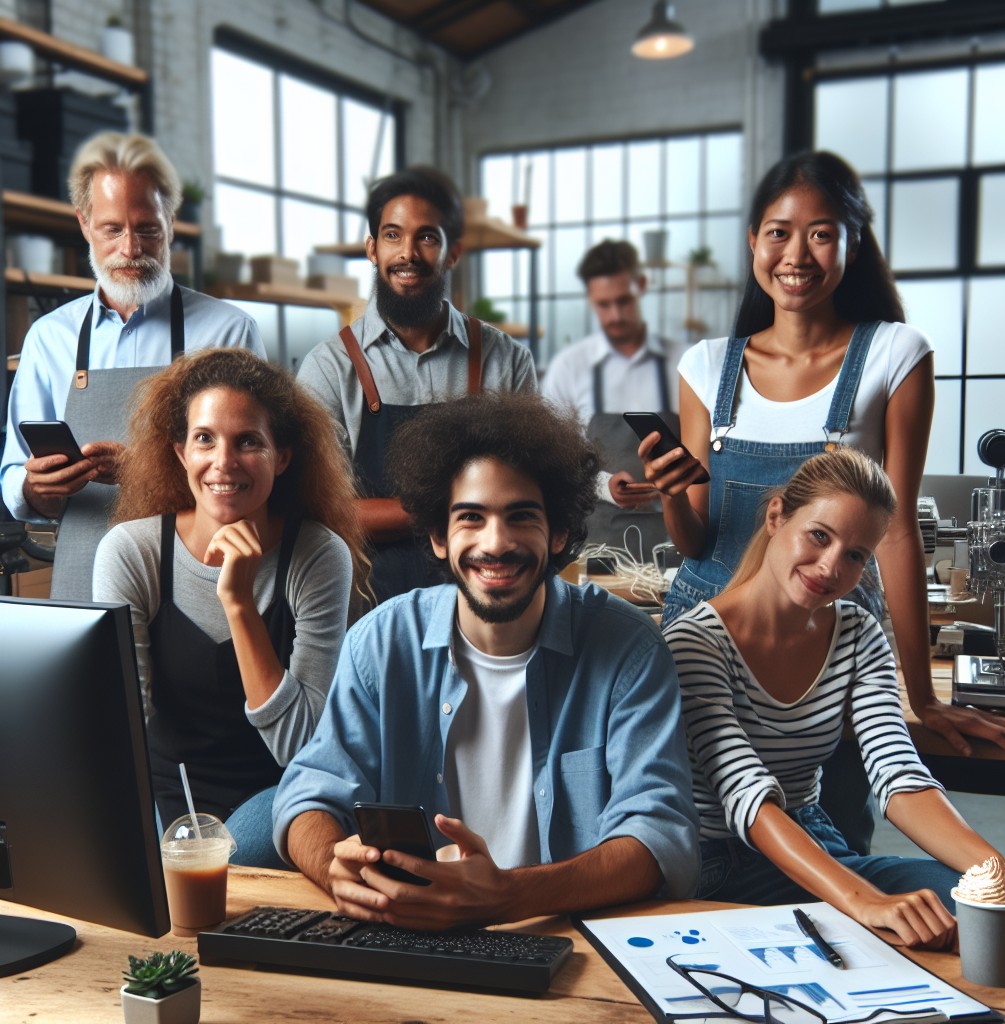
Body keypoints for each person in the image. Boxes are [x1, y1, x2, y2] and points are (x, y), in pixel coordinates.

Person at [641, 150, 1005, 849]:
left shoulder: (894, 354)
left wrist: (923, 696)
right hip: (708, 633)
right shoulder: (705, 365)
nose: (796, 253)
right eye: (778, 232)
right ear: (754, 240)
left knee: (836, 828)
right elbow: (698, 539)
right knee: (699, 829)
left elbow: (899, 532)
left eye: (821, 233)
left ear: (853, 241)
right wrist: (670, 496)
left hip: (829, 633)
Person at [273, 391, 699, 928]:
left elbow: (660, 836)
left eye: (521, 516)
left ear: (560, 531)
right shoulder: (380, 643)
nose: (495, 543)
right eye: (471, 517)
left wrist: (510, 896)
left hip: (565, 934)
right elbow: (309, 794)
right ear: (437, 537)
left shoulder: (630, 650)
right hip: (408, 931)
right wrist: (333, 866)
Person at [665, 448, 1005, 948]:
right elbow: (748, 798)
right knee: (890, 931)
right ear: (776, 516)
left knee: (971, 906)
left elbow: (898, 776)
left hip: (815, 841)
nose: (831, 567)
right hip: (717, 862)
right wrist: (864, 902)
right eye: (819, 536)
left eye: (855, 555)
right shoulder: (694, 642)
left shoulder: (858, 633)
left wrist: (998, 875)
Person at [93, 349, 367, 867]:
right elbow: (121, 722)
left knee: (226, 866)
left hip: (276, 798)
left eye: (248, 442)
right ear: (179, 452)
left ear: (281, 456)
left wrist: (238, 603)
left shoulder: (317, 555)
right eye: (205, 439)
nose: (223, 462)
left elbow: (302, 746)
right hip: (164, 798)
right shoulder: (133, 551)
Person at [1, 131, 265, 600]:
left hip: (198, 575)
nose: (130, 249)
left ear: (171, 222)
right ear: (84, 224)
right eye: (112, 230)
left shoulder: (228, 333)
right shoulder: (49, 339)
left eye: (147, 229)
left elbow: (255, 473)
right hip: (86, 570)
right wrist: (35, 488)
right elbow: (14, 473)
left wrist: (150, 470)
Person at [298, 166, 537, 605]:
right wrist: (459, 509)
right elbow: (320, 512)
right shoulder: (328, 369)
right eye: (392, 235)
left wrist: (399, 512)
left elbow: (527, 492)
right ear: (372, 248)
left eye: (427, 237)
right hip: (367, 608)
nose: (408, 253)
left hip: (489, 601)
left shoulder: (507, 360)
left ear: (453, 253)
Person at [542, 239, 681, 559]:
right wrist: (605, 485)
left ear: (642, 286)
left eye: (624, 301)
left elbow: (708, 454)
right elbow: (554, 463)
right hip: (598, 551)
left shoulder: (683, 363)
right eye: (604, 305)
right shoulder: (570, 368)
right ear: (591, 299)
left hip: (674, 547)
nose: (615, 315)